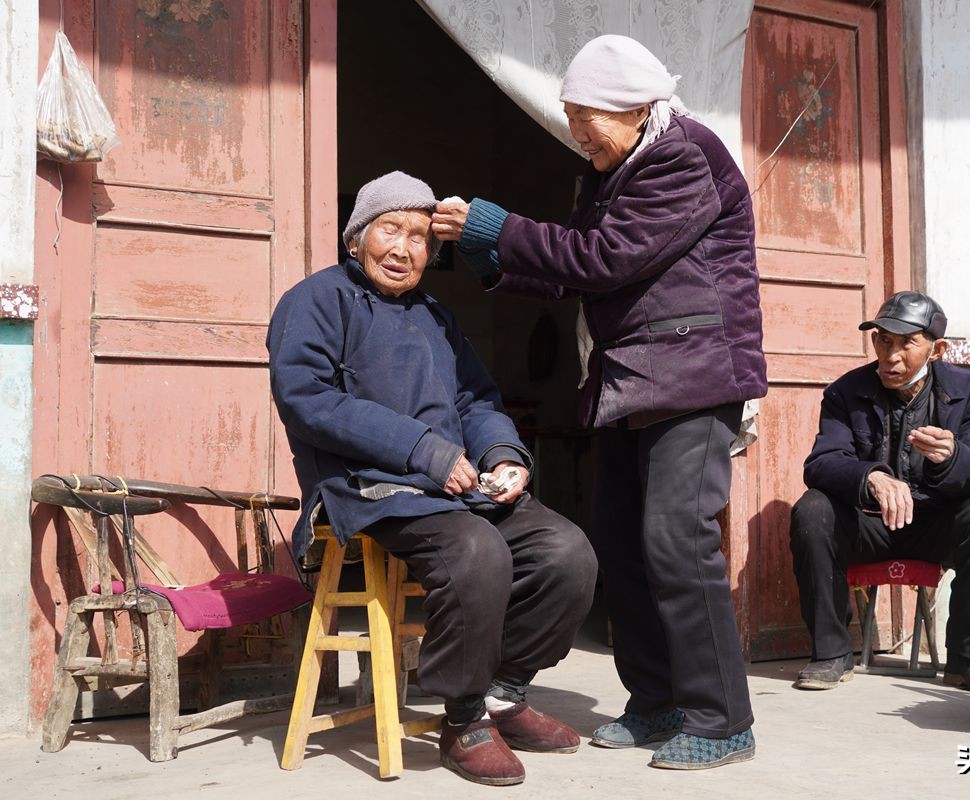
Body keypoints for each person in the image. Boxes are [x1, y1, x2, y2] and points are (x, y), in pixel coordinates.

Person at [431, 34, 767, 771]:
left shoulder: (684, 155)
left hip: (696, 373)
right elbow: (574, 271)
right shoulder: (603, 174)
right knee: (624, 543)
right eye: (572, 118)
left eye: (590, 119)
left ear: (638, 106)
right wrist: (493, 260)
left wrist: (495, 224)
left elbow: (606, 258)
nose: (580, 135)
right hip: (626, 381)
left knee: (678, 540)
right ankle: (656, 699)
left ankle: (722, 718)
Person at [266, 171, 597, 787]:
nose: (403, 248)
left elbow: (475, 398)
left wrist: (502, 454)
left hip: (455, 487)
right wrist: (423, 450)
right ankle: (464, 716)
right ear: (358, 237)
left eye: (419, 238)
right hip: (371, 486)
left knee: (567, 552)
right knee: (477, 552)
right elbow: (305, 398)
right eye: (390, 230)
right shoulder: (315, 300)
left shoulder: (435, 315)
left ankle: (502, 692)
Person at [789, 291, 970, 694]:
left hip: (937, 527)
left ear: (937, 349)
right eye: (882, 340)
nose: (890, 356)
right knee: (812, 510)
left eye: (906, 343)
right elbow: (821, 463)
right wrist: (871, 477)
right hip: (870, 526)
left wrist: (953, 457)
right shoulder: (845, 392)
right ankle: (830, 653)